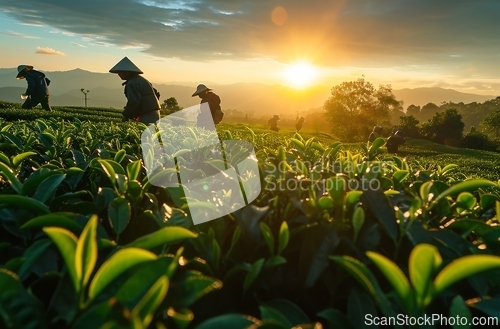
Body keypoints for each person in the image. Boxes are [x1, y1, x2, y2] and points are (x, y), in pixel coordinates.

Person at [109, 57, 160, 124]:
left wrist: (126, 115)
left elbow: (133, 102)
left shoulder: (132, 83)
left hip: (146, 115)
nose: (119, 75)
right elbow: (156, 94)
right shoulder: (141, 80)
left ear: (127, 73)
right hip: (154, 113)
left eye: (120, 72)